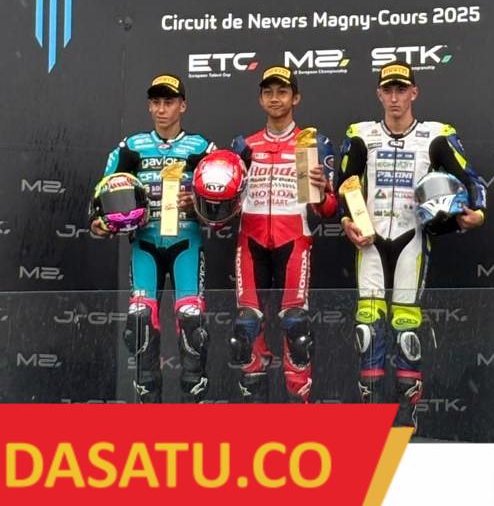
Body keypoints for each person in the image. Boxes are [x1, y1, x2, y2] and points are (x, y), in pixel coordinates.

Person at [336, 62, 487, 430]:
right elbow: (344, 184)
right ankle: (372, 418)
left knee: (406, 329)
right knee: (368, 327)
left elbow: (472, 180)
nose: (394, 97)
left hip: (413, 239)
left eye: (401, 89)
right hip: (369, 242)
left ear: (414, 93)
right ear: (378, 94)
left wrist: (478, 212)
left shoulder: (436, 136)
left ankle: (406, 419)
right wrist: (345, 221)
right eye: (388, 90)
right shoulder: (361, 135)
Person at [92, 73, 214, 403]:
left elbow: (222, 201)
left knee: (192, 323)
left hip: (186, 242)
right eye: (156, 103)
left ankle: (194, 405)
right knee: (140, 322)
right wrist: (99, 223)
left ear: (182, 106)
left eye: (169, 102)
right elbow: (103, 193)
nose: (161, 109)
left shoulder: (201, 148)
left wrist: (198, 203)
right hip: (144, 242)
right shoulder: (131, 147)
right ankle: (149, 408)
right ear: (149, 106)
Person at [229, 65, 337, 403]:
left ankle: (297, 414)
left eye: (282, 92)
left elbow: (327, 210)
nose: (275, 98)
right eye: (268, 92)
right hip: (250, 241)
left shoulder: (313, 143)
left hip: (294, 240)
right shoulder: (243, 145)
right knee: (245, 328)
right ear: (260, 99)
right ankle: (255, 416)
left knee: (296, 327)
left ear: (296, 98)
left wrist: (322, 191)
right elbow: (227, 207)